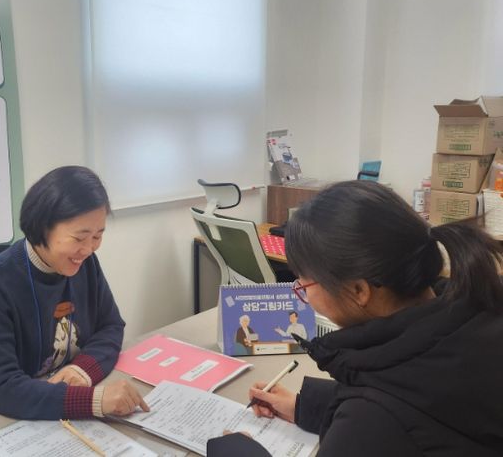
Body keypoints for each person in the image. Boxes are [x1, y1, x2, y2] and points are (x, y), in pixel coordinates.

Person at [208, 180, 503, 456]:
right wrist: (303, 406)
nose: (303, 294)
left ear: (358, 290)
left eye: (304, 284)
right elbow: (421, 407)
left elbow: (387, 416)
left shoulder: (371, 420)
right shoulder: (474, 316)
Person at [0, 166, 149, 420]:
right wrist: (94, 400)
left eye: (97, 236)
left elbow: (111, 326)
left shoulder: (86, 264)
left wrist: (82, 370)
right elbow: (3, 389)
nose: (89, 249)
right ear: (43, 227)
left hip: (52, 403)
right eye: (79, 238)